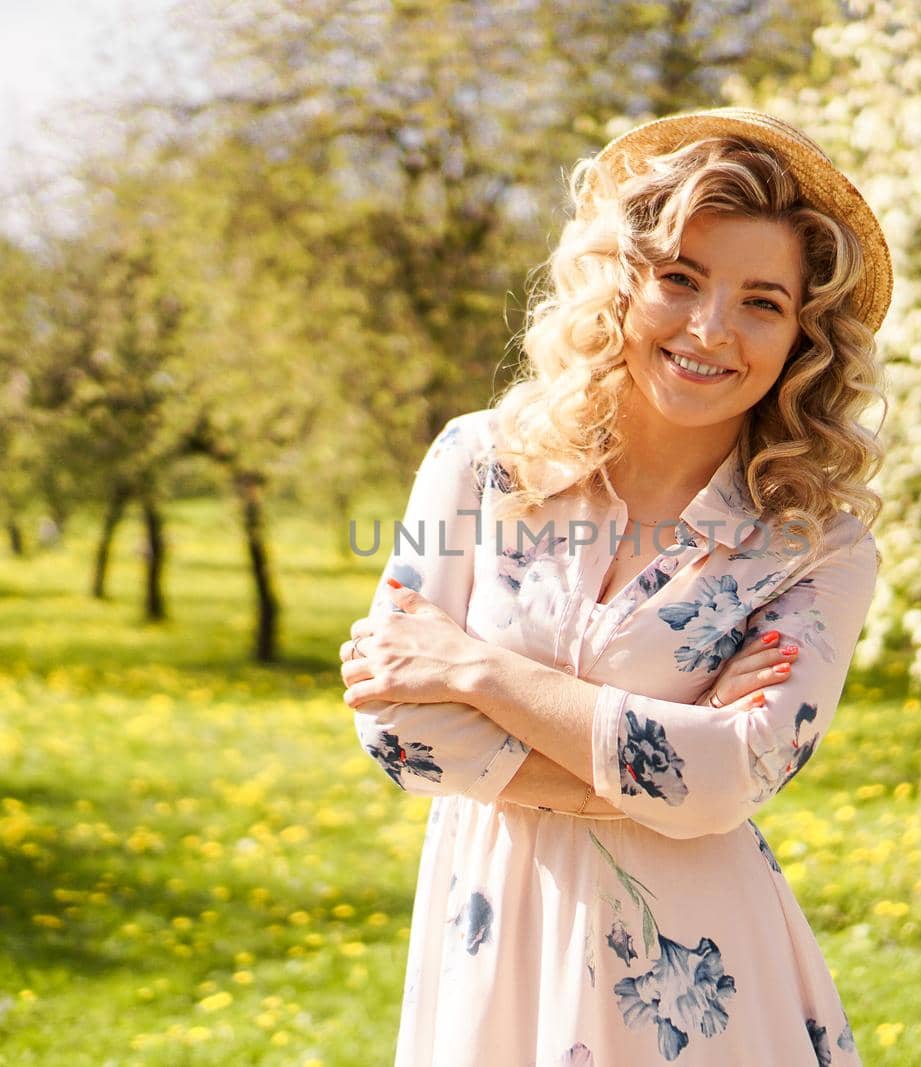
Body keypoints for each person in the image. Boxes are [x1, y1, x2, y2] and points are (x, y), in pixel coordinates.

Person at [340, 107, 890, 1066]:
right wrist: (657, 772)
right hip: (493, 936)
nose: (711, 328)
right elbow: (394, 727)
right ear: (623, 283)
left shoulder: (821, 545)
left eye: (763, 301)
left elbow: (730, 782)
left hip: (696, 978)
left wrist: (476, 671)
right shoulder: (479, 460)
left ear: (805, 336)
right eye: (681, 279)